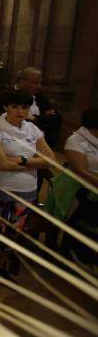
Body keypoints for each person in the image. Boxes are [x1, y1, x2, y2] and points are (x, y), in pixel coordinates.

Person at [0, 89, 55, 278]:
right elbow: (2, 164)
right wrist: (33, 162)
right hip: (2, 189)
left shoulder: (32, 129)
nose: (20, 111)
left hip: (27, 190)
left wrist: (22, 161)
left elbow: (50, 159)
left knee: (14, 234)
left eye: (24, 107)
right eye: (15, 106)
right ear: (6, 107)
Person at [57, 108, 98, 265]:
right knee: (81, 225)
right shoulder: (76, 140)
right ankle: (72, 259)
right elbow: (80, 171)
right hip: (80, 189)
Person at [14, 67, 62, 148]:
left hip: (43, 144)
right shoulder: (9, 96)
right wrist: (44, 118)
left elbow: (57, 118)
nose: (39, 86)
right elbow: (17, 121)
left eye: (40, 83)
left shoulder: (40, 97)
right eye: (35, 83)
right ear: (21, 82)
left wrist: (36, 118)